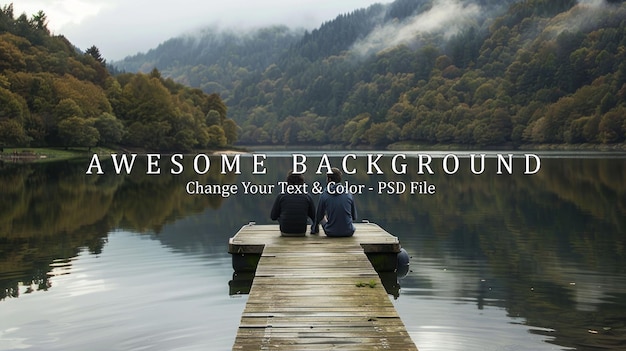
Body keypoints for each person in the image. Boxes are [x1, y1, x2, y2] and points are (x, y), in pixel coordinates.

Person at [311, 167, 357, 237]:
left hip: (331, 232)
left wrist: (314, 229)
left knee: (323, 216)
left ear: (329, 180)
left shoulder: (324, 194)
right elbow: (354, 217)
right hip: (349, 232)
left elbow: (319, 216)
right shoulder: (348, 193)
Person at [270, 170, 316, 237]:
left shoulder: (281, 196)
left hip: (285, 232)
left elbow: (273, 217)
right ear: (302, 183)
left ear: (288, 183)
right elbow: (314, 217)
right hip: (301, 232)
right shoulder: (307, 196)